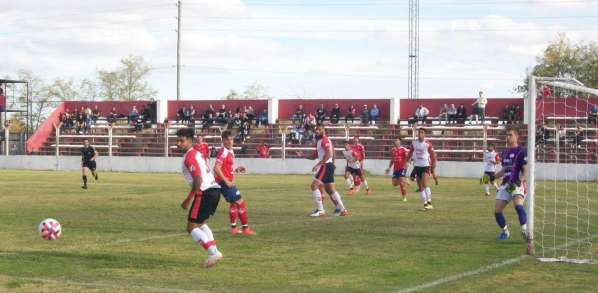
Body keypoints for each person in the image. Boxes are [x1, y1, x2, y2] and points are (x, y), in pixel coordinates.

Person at [177, 127, 223, 268]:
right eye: (178, 140)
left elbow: (198, 180)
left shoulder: (190, 157)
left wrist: (188, 199)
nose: (179, 143)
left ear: (190, 141)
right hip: (214, 190)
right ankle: (215, 252)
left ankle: (213, 252)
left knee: (191, 228)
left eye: (182, 141)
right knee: (201, 224)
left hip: (204, 192)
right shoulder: (197, 152)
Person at [212, 130, 256, 235]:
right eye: (227, 140)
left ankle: (234, 228)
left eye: (231, 139)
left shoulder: (230, 151)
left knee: (234, 203)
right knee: (240, 201)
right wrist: (226, 181)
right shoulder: (224, 152)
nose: (229, 142)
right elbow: (216, 168)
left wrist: (236, 170)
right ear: (223, 141)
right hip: (224, 183)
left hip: (225, 181)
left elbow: (225, 167)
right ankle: (245, 229)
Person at [494, 126, 530, 252]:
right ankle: (505, 232)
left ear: (517, 137)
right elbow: (504, 170)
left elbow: (526, 170)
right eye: (507, 135)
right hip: (506, 185)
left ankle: (525, 231)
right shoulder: (504, 152)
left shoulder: (521, 152)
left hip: (516, 184)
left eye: (510, 135)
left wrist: (521, 180)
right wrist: (491, 177)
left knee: (518, 206)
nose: (508, 137)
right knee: (497, 211)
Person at [304, 125, 348, 217]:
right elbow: (314, 156)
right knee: (330, 190)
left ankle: (320, 210)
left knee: (314, 185)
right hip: (328, 165)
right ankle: (343, 210)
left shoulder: (325, 140)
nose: (317, 131)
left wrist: (319, 164)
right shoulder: (319, 142)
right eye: (316, 130)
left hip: (326, 165)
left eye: (319, 129)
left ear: (324, 130)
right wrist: (303, 155)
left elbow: (329, 153)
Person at [404, 128, 437, 210]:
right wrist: (407, 162)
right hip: (417, 166)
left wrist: (434, 164)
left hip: (425, 165)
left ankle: (429, 202)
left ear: (424, 134)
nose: (420, 134)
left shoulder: (427, 144)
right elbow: (410, 152)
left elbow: (433, 155)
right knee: (420, 186)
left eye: (422, 132)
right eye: (419, 132)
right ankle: (425, 205)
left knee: (425, 183)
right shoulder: (414, 143)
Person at [385, 137, 410, 202]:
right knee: (394, 183)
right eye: (395, 140)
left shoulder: (403, 149)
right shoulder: (393, 150)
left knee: (401, 184)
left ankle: (404, 197)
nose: (395, 142)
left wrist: (407, 163)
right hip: (395, 169)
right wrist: (389, 168)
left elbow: (408, 157)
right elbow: (392, 159)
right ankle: (405, 180)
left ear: (400, 142)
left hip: (402, 168)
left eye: (397, 140)